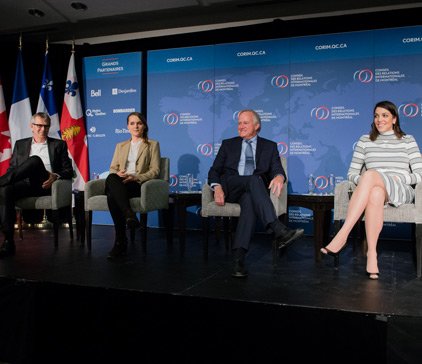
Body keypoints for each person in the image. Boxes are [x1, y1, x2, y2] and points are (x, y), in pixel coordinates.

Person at [321, 100, 422, 279]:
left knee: (370, 175)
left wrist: (402, 178)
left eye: (384, 115)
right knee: (374, 191)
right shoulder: (365, 140)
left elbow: (419, 174)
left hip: (400, 188)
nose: (379, 120)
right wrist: (365, 181)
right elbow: (352, 173)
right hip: (376, 188)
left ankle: (342, 235)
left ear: (394, 119)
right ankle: (372, 256)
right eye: (376, 116)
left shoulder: (407, 140)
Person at [208, 109, 304, 278]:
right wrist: (217, 187)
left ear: (257, 126)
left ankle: (238, 259)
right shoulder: (228, 144)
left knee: (249, 201)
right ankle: (277, 228)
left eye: (245, 123)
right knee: (254, 180)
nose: (240, 127)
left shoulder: (269, 146)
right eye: (239, 123)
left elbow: (277, 168)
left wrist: (280, 177)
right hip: (231, 186)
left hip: (252, 191)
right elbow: (214, 171)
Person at [0, 112, 73, 258]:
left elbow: (69, 171)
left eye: (46, 126)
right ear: (31, 126)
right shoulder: (20, 144)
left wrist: (55, 176)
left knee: (34, 160)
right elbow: (12, 170)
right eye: (39, 126)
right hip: (26, 185)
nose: (43, 129)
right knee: (5, 189)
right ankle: (8, 241)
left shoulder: (58, 145)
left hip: (46, 183)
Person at [105, 112, 161, 259]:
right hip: (120, 182)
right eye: (132, 123)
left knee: (112, 196)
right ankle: (129, 215)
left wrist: (136, 177)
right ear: (127, 126)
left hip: (136, 184)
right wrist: (119, 173)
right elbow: (113, 168)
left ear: (144, 126)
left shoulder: (152, 145)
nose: (136, 126)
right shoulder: (120, 146)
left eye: (139, 123)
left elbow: (155, 170)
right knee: (111, 177)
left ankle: (120, 242)